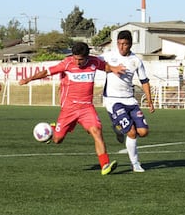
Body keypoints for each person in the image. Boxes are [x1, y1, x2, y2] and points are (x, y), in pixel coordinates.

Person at [18, 42, 119, 175]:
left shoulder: (94, 62)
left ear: (87, 57)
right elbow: (46, 72)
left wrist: (115, 69)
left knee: (96, 131)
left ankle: (105, 165)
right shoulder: (67, 63)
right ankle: (53, 128)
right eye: (75, 59)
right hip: (69, 109)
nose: (77, 62)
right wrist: (29, 79)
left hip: (86, 108)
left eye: (80, 59)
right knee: (57, 140)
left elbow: (105, 66)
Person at [100, 30, 155, 173]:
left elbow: (144, 81)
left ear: (130, 44)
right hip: (113, 100)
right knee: (131, 132)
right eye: (119, 43)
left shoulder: (136, 60)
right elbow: (93, 63)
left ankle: (117, 127)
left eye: (124, 44)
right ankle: (135, 163)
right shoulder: (109, 56)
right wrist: (112, 69)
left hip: (130, 100)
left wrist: (149, 101)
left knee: (143, 132)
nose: (121, 47)